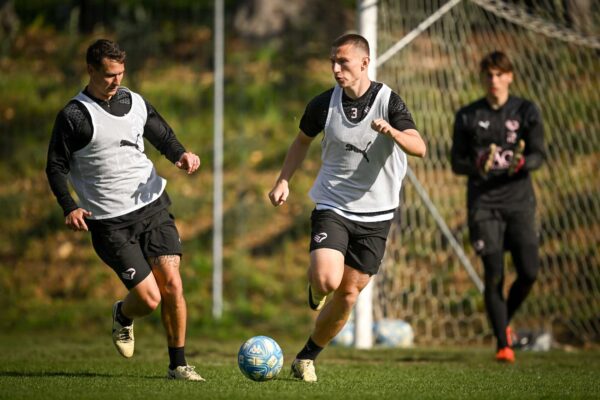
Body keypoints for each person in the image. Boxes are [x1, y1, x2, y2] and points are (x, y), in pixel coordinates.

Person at [268, 33, 426, 382]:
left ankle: (306, 358)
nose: (336, 69)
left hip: (377, 214)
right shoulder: (323, 104)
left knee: (349, 294)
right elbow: (301, 142)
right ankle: (317, 286)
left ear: (364, 63)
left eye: (343, 62)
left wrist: (394, 134)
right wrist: (283, 180)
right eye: (333, 63)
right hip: (333, 204)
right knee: (327, 279)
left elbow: (420, 147)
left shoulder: (389, 102)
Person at [45, 39, 204, 381]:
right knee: (149, 300)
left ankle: (178, 365)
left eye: (120, 73)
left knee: (173, 284)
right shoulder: (74, 116)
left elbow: (161, 134)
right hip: (110, 224)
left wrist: (181, 155)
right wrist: (69, 206)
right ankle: (123, 313)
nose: (116, 81)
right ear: (90, 70)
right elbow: (55, 167)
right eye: (108, 75)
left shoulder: (134, 102)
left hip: (152, 206)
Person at [451, 51, 545, 363]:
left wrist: (522, 163)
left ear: (509, 76)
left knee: (529, 272)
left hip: (518, 202)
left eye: (498, 74)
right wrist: (476, 163)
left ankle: (503, 324)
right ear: (483, 78)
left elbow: (539, 154)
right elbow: (456, 163)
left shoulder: (526, 110)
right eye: (488, 75)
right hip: (484, 204)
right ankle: (503, 345)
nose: (493, 80)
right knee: (494, 274)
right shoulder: (467, 115)